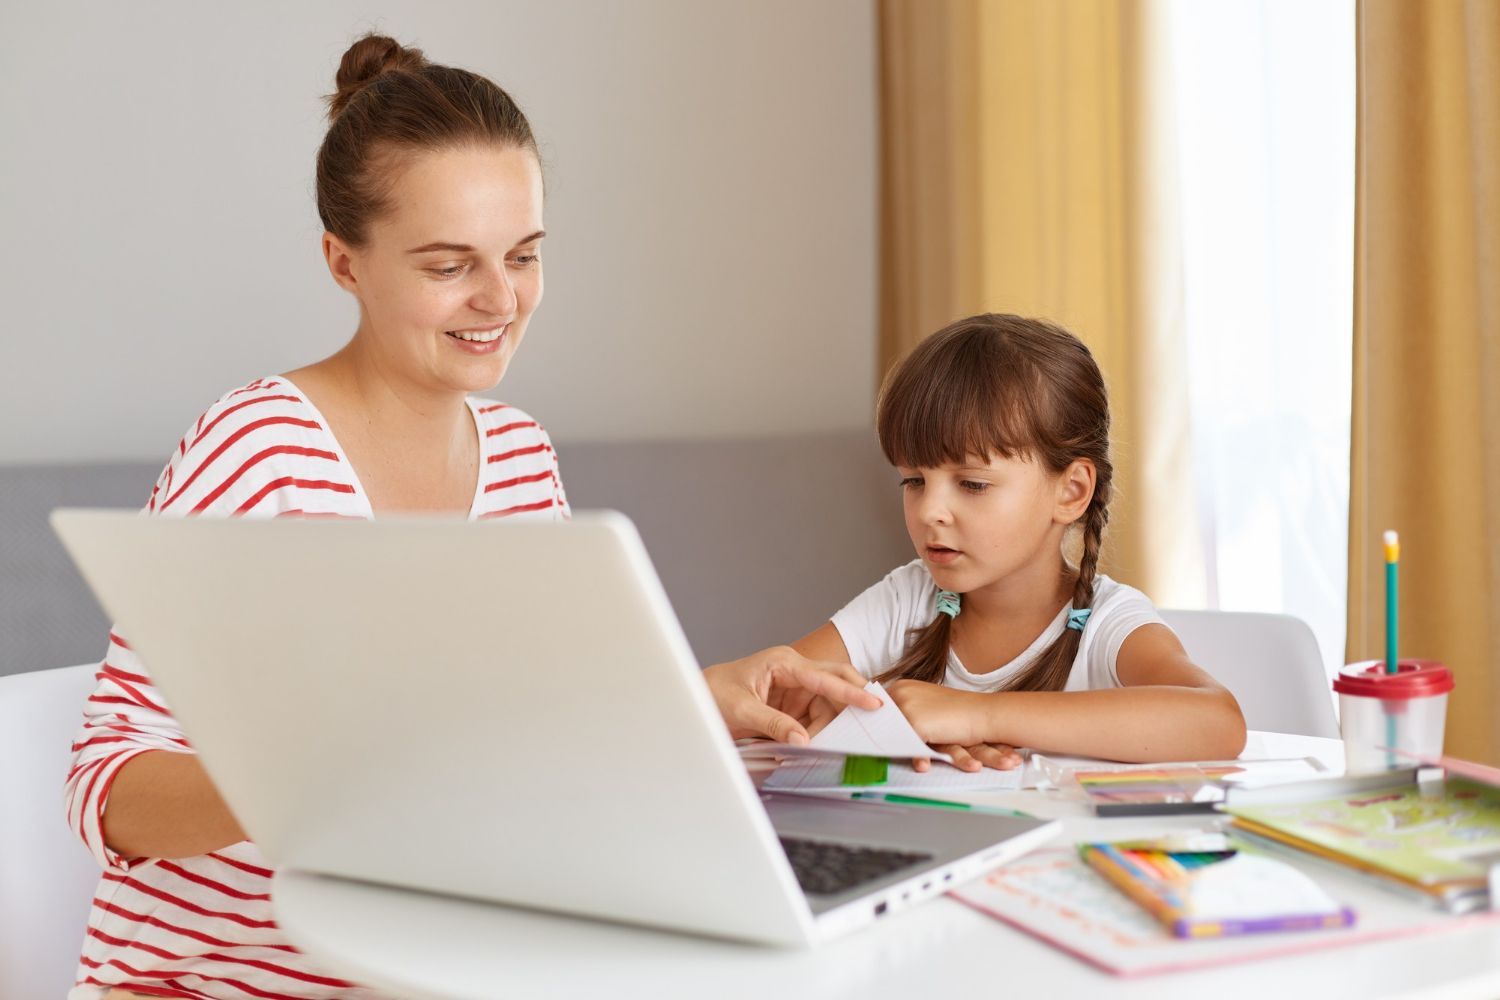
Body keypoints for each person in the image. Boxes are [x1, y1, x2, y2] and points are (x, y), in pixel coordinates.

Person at [66, 35, 871, 1000]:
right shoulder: (258, 452)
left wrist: (698, 693)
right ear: (343, 262)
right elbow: (106, 792)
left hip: (447, 971)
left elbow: (535, 733)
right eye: (450, 265)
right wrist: (334, 774)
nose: (500, 300)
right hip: (212, 985)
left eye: (524, 256)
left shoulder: (522, 457)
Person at [707, 313, 1248, 773]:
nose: (929, 511)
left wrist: (978, 712)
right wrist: (722, 686)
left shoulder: (1105, 623)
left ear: (1072, 490)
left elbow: (1217, 722)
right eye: (913, 480)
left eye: (972, 484)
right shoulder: (908, 601)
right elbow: (769, 695)